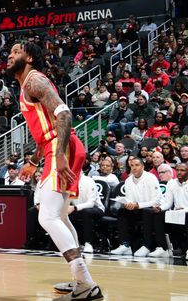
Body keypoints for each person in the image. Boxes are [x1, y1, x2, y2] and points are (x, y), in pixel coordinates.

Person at [11, 42, 103, 301]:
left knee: (47, 217)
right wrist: (33, 160)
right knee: (60, 217)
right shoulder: (26, 84)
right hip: (58, 145)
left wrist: (59, 152)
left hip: (61, 146)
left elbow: (64, 114)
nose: (10, 55)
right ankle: (81, 280)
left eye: (16, 51)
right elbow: (47, 127)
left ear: (29, 57)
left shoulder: (34, 81)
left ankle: (86, 283)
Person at [109, 157, 168, 258]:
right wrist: (129, 204)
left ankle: (147, 246)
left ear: (143, 166)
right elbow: (130, 199)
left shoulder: (151, 178)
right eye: (132, 165)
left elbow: (156, 200)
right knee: (122, 211)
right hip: (138, 208)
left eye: (137, 165)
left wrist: (138, 205)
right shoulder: (128, 180)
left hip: (154, 209)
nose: (134, 168)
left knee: (146, 211)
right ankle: (125, 245)